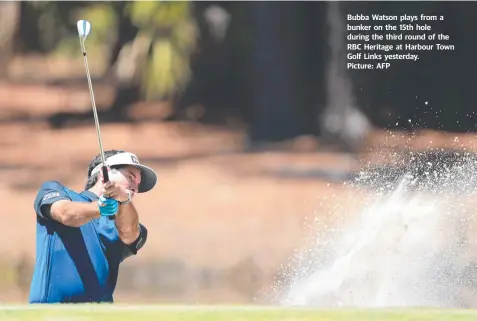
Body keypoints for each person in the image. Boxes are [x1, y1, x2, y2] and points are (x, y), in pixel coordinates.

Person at [29, 149, 157, 303]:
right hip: (48, 315)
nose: (135, 188)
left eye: (137, 184)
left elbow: (129, 232)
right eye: (130, 177)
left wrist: (123, 200)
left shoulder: (126, 220)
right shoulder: (54, 190)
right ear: (105, 174)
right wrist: (100, 208)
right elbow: (66, 214)